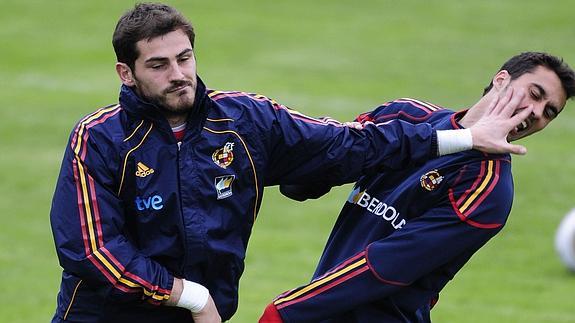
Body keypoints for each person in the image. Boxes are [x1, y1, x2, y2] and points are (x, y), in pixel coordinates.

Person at [49, 3, 531, 323]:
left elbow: (349, 146)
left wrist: (462, 137)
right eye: (159, 65)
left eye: (185, 58)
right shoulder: (99, 138)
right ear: (126, 73)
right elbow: (92, 250)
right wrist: (189, 296)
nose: (179, 75)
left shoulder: (246, 121)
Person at [259, 52, 575, 323]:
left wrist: (288, 311)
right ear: (501, 80)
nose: (536, 112)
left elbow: (383, 268)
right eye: (534, 94)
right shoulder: (405, 116)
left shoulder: (488, 193)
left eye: (549, 112)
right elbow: (310, 178)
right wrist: (315, 161)